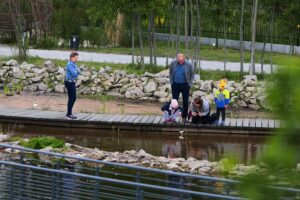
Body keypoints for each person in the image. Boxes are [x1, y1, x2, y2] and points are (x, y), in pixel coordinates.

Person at [169, 53, 194, 123]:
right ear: (177, 59)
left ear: (184, 59)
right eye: (179, 60)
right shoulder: (173, 63)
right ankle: (173, 117)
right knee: (174, 102)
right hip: (175, 84)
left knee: (185, 102)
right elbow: (170, 72)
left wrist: (190, 84)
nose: (180, 62)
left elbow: (192, 74)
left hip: (185, 85)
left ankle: (184, 117)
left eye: (182, 60)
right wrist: (171, 82)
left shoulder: (189, 64)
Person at [65, 52, 80, 119]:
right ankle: (69, 114)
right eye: (76, 58)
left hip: (72, 82)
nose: (77, 59)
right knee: (72, 98)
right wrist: (77, 71)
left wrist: (76, 71)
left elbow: (79, 71)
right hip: (69, 83)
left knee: (73, 98)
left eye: (77, 58)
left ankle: (69, 113)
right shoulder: (69, 64)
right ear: (72, 57)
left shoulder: (74, 64)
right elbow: (74, 74)